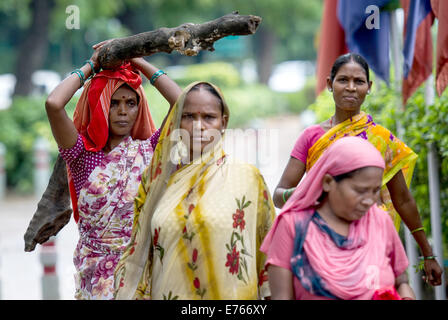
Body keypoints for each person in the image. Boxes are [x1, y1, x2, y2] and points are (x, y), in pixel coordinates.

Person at [273, 53, 442, 286]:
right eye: (343, 80)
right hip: (320, 245)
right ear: (329, 84)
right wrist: (311, 192)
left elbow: (402, 200)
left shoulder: (382, 139)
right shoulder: (312, 138)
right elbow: (279, 195)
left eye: (359, 81)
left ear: (369, 87)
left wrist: (427, 252)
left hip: (372, 244)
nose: (351, 88)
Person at [44, 41, 182, 299]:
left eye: (131, 103)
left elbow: (182, 102)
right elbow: (53, 103)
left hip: (143, 278)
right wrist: (92, 65)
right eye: (114, 102)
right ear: (100, 104)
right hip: (96, 282)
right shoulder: (81, 155)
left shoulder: (150, 151)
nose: (122, 111)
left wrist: (137, 59)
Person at [114, 81, 276, 300]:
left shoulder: (247, 178)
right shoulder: (157, 184)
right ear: (177, 122)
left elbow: (270, 255)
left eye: (209, 117)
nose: (198, 126)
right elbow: (140, 254)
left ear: (223, 122)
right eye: (189, 116)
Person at [262, 136, 416, 300]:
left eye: (375, 190)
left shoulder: (380, 221)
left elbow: (401, 281)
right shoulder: (292, 226)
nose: (369, 200)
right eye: (360, 190)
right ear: (328, 182)